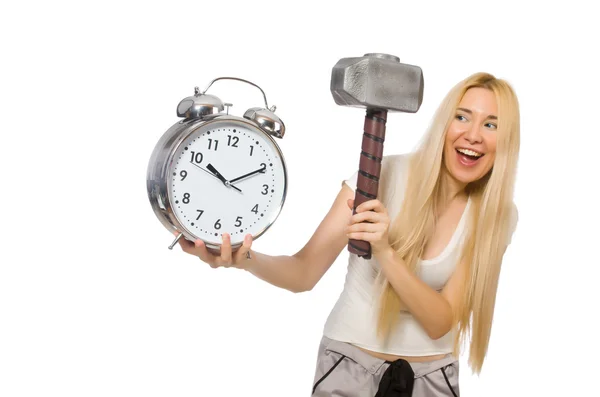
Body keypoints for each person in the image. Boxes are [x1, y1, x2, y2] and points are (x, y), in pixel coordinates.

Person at [176, 72, 520, 396]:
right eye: (462, 117)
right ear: (445, 123)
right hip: (349, 369)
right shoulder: (378, 178)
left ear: (505, 141)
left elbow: (439, 322)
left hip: (434, 378)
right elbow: (303, 272)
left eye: (491, 124)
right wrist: (244, 259)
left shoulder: (496, 217)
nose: (473, 134)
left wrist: (385, 251)